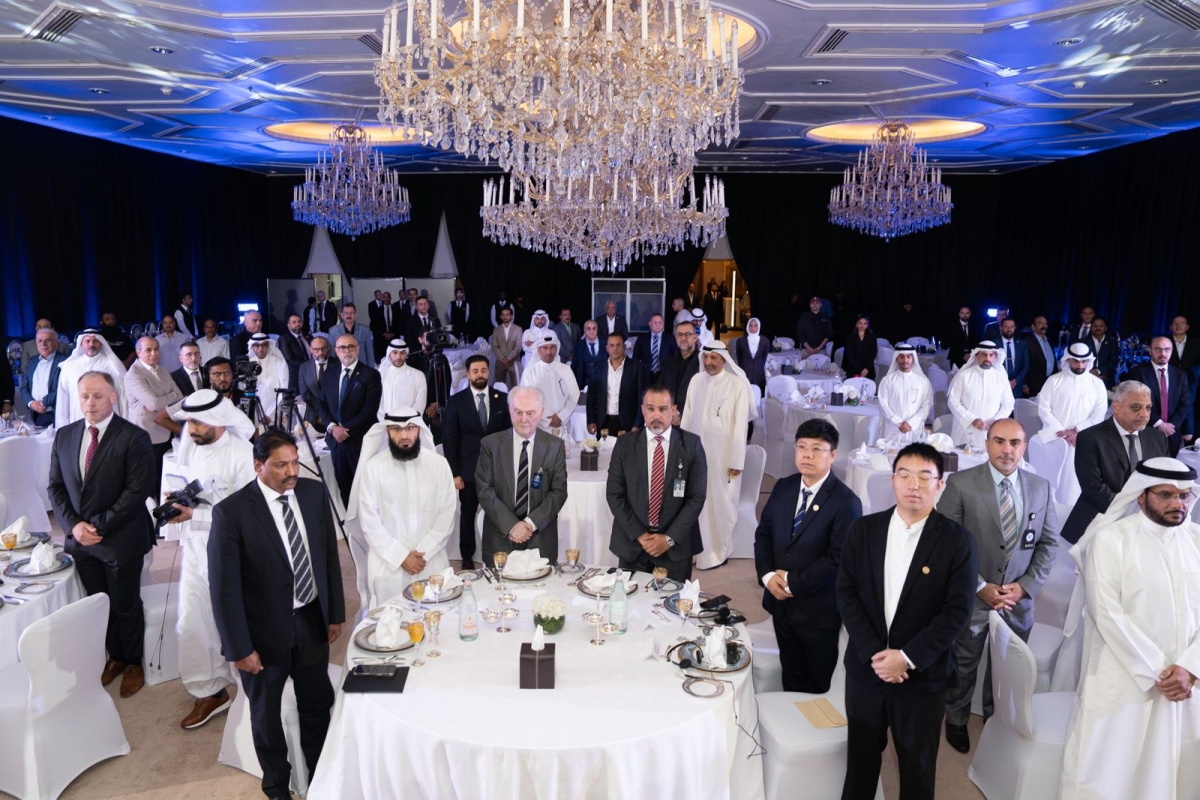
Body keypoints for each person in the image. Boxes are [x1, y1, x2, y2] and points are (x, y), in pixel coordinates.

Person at [836, 443, 978, 800]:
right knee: (860, 763)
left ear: (940, 485)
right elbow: (847, 594)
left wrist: (907, 658)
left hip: (921, 679)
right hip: (867, 671)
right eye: (904, 475)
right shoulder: (863, 530)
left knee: (917, 768)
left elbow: (957, 612)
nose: (913, 484)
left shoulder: (958, 541)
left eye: (924, 476)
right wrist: (877, 654)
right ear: (893, 480)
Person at [208, 430, 344, 800]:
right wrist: (239, 647)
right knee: (266, 718)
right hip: (261, 636)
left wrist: (334, 613)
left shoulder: (313, 493)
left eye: (295, 462)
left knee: (317, 706)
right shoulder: (231, 513)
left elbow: (328, 557)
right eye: (281, 465)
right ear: (259, 466)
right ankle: (277, 788)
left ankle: (320, 783)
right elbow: (224, 589)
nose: (292, 472)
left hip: (311, 621)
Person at [1059, 458, 1200, 800]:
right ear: (1141, 495)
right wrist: (1162, 672)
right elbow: (1106, 612)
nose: (1177, 504)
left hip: (1187, 681)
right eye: (1165, 495)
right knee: (1111, 770)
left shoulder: (1196, 539)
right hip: (1124, 676)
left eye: (1184, 495)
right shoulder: (1111, 539)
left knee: (1179, 769)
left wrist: (1190, 666)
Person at [937, 419, 1060, 753]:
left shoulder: (1040, 487)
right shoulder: (961, 484)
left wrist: (1025, 587)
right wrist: (979, 586)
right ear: (987, 443)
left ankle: (996, 718)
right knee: (964, 662)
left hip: (1018, 600)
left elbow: (1048, 543)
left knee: (1007, 665)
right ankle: (956, 719)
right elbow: (946, 544)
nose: (1007, 450)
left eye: (1015, 443)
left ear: (1024, 447)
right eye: (1000, 441)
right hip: (973, 596)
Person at [48, 371, 156, 699]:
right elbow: (55, 487)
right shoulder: (65, 435)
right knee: (99, 603)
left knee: (125, 604)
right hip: (81, 541)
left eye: (97, 396)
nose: (90, 403)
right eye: (84, 396)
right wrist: (74, 526)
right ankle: (116, 656)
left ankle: (133, 662)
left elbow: (137, 492)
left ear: (112, 397)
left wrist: (98, 526)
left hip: (121, 538)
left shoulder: (134, 437)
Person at [166, 390, 256, 730]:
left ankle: (253, 694)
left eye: (197, 422)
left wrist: (197, 515)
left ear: (218, 420)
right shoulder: (193, 446)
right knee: (191, 619)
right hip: (195, 548)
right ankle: (209, 691)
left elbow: (249, 514)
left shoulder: (243, 454)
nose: (190, 429)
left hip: (234, 552)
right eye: (188, 421)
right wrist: (178, 501)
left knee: (235, 621)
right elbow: (195, 490)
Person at [756, 418, 862, 692]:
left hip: (818, 612)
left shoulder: (847, 502)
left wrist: (792, 582)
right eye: (802, 447)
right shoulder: (784, 486)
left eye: (817, 449)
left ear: (833, 455)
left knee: (815, 685)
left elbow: (837, 559)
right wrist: (767, 576)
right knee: (790, 673)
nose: (807, 455)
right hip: (780, 603)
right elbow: (764, 534)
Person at [345, 411, 457, 605]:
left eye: (410, 428)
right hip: (387, 563)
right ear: (387, 431)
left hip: (430, 561)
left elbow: (446, 514)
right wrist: (401, 557)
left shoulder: (439, 465)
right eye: (396, 429)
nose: (404, 435)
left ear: (419, 429)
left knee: (436, 616)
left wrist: (422, 554)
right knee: (390, 619)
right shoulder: (373, 468)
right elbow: (370, 522)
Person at [606, 384, 706, 582]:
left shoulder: (692, 445)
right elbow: (614, 495)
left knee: (672, 600)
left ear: (673, 410)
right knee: (629, 598)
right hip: (633, 545)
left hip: (675, 547)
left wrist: (668, 539)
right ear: (643, 410)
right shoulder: (624, 445)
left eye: (663, 409)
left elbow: (696, 498)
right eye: (651, 409)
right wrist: (640, 535)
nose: (656, 415)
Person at [1061, 380, 1170, 543]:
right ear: (1117, 406)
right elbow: (1093, 486)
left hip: (1146, 525)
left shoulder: (1158, 438)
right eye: (1136, 407)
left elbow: (1164, 479)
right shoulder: (1089, 438)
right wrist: (1132, 511)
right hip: (1099, 523)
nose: (1144, 414)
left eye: (1148, 407)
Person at [682, 341, 757, 570]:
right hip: (696, 455)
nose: (708, 362)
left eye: (713, 358)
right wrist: (681, 450)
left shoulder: (737, 385)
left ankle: (718, 551)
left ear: (724, 359)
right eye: (705, 357)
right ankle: (696, 551)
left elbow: (740, 427)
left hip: (724, 459)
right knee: (695, 501)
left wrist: (736, 460)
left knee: (722, 504)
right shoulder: (696, 381)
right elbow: (687, 417)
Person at [475, 386, 569, 564]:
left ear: (541, 413)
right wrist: (511, 525)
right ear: (510, 410)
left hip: (540, 540)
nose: (524, 419)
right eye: (518, 412)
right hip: (499, 540)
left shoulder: (555, 446)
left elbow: (559, 492)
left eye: (530, 413)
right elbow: (484, 491)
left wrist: (530, 524)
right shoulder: (490, 445)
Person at [443, 355, 511, 570]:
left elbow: (509, 436)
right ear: (468, 374)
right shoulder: (456, 401)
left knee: (499, 512)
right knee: (468, 514)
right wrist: (455, 473)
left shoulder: (502, 398)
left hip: (497, 469)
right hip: (468, 471)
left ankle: (498, 554)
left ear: (489, 372)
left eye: (483, 370)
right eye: (475, 371)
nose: (480, 375)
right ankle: (467, 556)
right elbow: (450, 440)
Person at [316, 334, 382, 506]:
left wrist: (346, 430)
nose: (347, 351)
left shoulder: (371, 375)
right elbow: (321, 404)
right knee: (344, 488)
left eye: (351, 346)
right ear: (336, 351)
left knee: (365, 489)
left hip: (360, 441)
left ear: (358, 349)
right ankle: (351, 522)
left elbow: (369, 410)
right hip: (337, 443)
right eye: (342, 348)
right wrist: (333, 428)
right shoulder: (330, 374)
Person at [125, 336, 185, 471]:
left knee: (166, 474)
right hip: (147, 435)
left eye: (156, 349)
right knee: (150, 477)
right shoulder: (133, 374)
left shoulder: (162, 370)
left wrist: (165, 398)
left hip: (168, 430)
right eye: (148, 350)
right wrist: (171, 396)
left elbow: (180, 396)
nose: (154, 353)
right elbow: (154, 404)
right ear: (138, 352)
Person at [1127, 336, 1193, 453]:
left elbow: (1185, 404)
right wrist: (1159, 424)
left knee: (1170, 464)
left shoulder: (1180, 375)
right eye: (1158, 349)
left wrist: (1171, 426)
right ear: (1150, 350)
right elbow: (1136, 403)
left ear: (1172, 351)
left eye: (1167, 349)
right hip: (1146, 431)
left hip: (1172, 434)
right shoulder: (1137, 373)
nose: (1163, 353)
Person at [1036, 342, 1108, 448]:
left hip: (1084, 437)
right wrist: (1061, 432)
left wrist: (1077, 430)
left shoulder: (1097, 383)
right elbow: (1043, 409)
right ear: (1068, 359)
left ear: (1089, 361)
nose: (1080, 366)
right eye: (1076, 361)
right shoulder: (1053, 380)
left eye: (1084, 361)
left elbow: (1099, 413)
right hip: (1054, 436)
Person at [947, 341, 1014, 450]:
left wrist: (997, 420)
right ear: (977, 356)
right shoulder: (964, 375)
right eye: (984, 354)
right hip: (965, 431)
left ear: (995, 357)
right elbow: (952, 401)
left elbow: (1009, 404)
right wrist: (972, 419)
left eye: (991, 355)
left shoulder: (1001, 378)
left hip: (990, 431)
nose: (987, 358)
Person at [56, 328, 129, 427]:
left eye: (95, 341)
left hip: (108, 424)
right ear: (81, 344)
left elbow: (122, 397)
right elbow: (62, 400)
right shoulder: (69, 366)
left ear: (101, 344)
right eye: (87, 341)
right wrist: (62, 428)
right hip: (78, 422)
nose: (91, 344)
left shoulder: (113, 365)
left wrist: (125, 426)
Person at [587, 332, 646, 435]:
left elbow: (642, 398)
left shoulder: (637, 367)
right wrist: (591, 420)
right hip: (604, 422)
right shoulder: (598, 367)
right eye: (612, 345)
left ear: (624, 347)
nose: (615, 348)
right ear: (607, 348)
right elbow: (591, 396)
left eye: (618, 345)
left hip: (628, 423)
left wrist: (637, 424)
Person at [519, 333, 580, 433]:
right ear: (539, 350)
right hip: (540, 427)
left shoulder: (566, 370)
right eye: (545, 348)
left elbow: (574, 395)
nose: (549, 352)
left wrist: (561, 416)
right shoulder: (529, 372)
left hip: (562, 425)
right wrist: (548, 419)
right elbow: (527, 400)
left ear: (556, 349)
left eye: (552, 347)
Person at [877, 345, 934, 442]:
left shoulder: (923, 381)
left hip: (914, 429)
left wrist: (910, 423)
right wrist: (898, 422)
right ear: (896, 358)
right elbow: (883, 404)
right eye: (901, 357)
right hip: (892, 429)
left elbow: (927, 405)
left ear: (913, 359)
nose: (905, 360)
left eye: (908, 357)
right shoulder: (887, 380)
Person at [20, 327, 67, 427]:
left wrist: (44, 403)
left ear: (56, 343)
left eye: (47, 340)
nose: (43, 344)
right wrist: (31, 403)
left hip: (56, 413)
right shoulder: (32, 361)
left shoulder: (65, 362)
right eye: (39, 341)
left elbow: (63, 387)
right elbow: (24, 387)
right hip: (37, 414)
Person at [376, 337, 428, 422]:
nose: (398, 357)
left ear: (406, 354)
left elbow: (420, 404)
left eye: (402, 353)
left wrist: (408, 424)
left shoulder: (418, 375)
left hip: (411, 425)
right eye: (395, 352)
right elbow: (378, 403)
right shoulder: (381, 375)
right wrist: (386, 423)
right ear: (389, 353)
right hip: (386, 424)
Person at [661, 320, 701, 424]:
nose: (683, 338)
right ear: (675, 338)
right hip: (668, 419)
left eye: (687, 334)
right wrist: (669, 413)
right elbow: (660, 390)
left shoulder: (703, 363)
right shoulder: (667, 362)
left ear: (695, 337)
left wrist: (680, 415)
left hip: (694, 421)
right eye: (679, 334)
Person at [246, 333, 291, 423]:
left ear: (268, 345)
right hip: (254, 411)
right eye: (257, 345)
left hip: (275, 412)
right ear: (252, 347)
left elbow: (283, 390)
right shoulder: (247, 364)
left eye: (264, 345)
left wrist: (270, 414)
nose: (260, 348)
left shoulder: (279, 363)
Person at [633, 313, 677, 384]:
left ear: (663, 324)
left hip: (664, 374)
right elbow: (635, 358)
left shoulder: (670, 339)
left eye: (660, 322)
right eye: (655, 322)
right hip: (646, 375)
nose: (657, 325)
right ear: (650, 324)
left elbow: (676, 356)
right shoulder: (642, 339)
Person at [297, 335, 329, 428]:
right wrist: (321, 411)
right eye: (316, 349)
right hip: (313, 409)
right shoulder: (304, 367)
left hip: (334, 409)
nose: (320, 352)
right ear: (311, 350)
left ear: (328, 348)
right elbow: (305, 394)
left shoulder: (337, 364)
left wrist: (327, 412)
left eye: (323, 348)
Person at [330, 303, 375, 367]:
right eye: (346, 313)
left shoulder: (365, 330)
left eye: (351, 313)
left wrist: (371, 370)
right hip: (342, 367)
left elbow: (370, 353)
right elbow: (332, 355)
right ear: (342, 315)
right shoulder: (333, 331)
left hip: (361, 367)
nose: (349, 315)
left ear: (355, 315)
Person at [731, 316, 768, 393]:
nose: (753, 328)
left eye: (755, 325)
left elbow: (764, 357)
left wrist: (758, 365)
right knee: (744, 394)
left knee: (759, 395)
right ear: (748, 326)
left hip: (759, 373)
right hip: (745, 372)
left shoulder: (765, 341)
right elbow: (739, 357)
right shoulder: (740, 341)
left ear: (758, 326)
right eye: (751, 325)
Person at [1023, 315, 1057, 397]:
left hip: (1049, 382)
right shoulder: (1026, 341)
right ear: (1033, 327)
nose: (1043, 326)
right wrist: (1024, 384)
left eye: (1045, 323)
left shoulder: (1049, 340)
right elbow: (1022, 363)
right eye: (1040, 323)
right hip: (1033, 385)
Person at [997, 317, 1029, 399]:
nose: (1009, 329)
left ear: (1015, 328)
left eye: (1011, 327)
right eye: (1006, 326)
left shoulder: (1022, 344)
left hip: (1016, 387)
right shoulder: (994, 344)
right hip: (998, 386)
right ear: (1001, 328)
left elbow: (1026, 365)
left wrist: (1015, 380)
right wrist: (1005, 381)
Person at [276, 314, 311, 390]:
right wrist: (310, 365)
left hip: (311, 375)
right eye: (294, 322)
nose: (297, 324)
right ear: (289, 325)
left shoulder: (309, 337)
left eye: (299, 321)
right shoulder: (284, 339)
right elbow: (290, 359)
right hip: (296, 376)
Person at [490, 306, 522, 389]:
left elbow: (518, 346)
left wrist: (509, 358)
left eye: (507, 314)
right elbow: (494, 346)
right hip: (500, 361)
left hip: (514, 360)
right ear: (500, 316)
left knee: (515, 386)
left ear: (511, 316)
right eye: (503, 315)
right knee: (499, 386)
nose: (505, 316)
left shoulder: (518, 329)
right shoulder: (496, 330)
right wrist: (502, 358)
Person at [842, 315, 878, 380]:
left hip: (868, 371)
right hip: (853, 370)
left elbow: (873, 354)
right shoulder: (850, 338)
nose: (862, 325)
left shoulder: (872, 338)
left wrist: (866, 368)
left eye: (865, 323)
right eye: (860, 323)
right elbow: (850, 356)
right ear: (857, 324)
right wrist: (860, 369)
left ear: (867, 325)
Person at [572, 320, 606, 389]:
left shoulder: (605, 343)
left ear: (597, 329)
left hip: (603, 384)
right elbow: (574, 367)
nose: (591, 331)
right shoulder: (579, 346)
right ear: (584, 330)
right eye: (589, 328)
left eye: (594, 328)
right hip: (584, 385)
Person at [1087, 316, 1119, 388]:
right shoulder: (1083, 342)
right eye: (1095, 326)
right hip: (1086, 378)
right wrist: (1090, 374)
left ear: (1105, 328)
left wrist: (1098, 371)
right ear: (1091, 328)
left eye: (1101, 326)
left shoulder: (1112, 343)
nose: (1098, 328)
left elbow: (1113, 361)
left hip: (1105, 378)